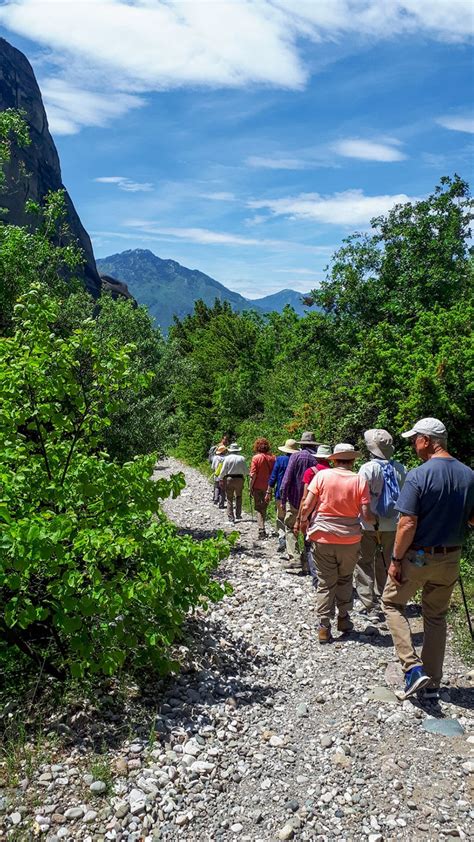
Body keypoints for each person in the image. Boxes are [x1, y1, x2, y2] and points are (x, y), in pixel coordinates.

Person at [382, 418, 474, 700]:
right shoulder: (469, 475)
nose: (413, 444)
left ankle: (411, 669)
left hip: (419, 555)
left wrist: (396, 559)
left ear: (427, 440)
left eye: (415, 439)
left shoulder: (418, 475)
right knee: (436, 616)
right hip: (451, 557)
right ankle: (432, 682)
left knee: (391, 602)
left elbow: (407, 522)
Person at [299, 443, 375, 643]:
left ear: (333, 459)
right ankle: (344, 619)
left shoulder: (322, 476)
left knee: (325, 582)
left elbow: (307, 504)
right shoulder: (360, 479)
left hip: (322, 536)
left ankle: (324, 627)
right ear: (352, 460)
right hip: (350, 538)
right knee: (345, 578)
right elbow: (366, 515)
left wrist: (303, 521)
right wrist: (375, 521)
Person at [354, 430, 407, 618]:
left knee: (364, 562)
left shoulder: (367, 469)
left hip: (369, 524)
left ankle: (370, 605)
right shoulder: (400, 468)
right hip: (394, 524)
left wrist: (366, 517)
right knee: (387, 562)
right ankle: (388, 600)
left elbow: (360, 497)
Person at [279, 432, 318, 573]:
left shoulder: (295, 456)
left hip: (295, 499)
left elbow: (287, 479)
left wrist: (283, 499)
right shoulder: (317, 459)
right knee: (309, 531)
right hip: (312, 502)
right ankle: (307, 562)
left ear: (301, 444)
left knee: (290, 528)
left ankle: (295, 559)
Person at [295, 444, 332, 586]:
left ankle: (316, 578)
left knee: (310, 545)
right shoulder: (335, 472)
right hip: (329, 514)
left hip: (312, 514)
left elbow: (305, 498)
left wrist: (300, 518)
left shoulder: (311, 472)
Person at [265, 439, 300, 552]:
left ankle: (282, 537)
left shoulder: (280, 459)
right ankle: (292, 544)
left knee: (280, 517)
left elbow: (273, 477)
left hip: (281, 494)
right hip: (295, 495)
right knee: (291, 519)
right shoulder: (299, 461)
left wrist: (268, 491)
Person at [249, 438, 276, 539]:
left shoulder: (256, 458)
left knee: (258, 508)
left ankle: (261, 529)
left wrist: (250, 487)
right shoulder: (273, 458)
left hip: (257, 486)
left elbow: (253, 474)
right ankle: (262, 527)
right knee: (264, 507)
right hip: (268, 487)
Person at [219, 442, 249, 524]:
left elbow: (223, 470)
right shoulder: (242, 458)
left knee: (229, 498)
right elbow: (246, 471)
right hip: (239, 479)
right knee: (239, 496)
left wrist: (221, 478)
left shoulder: (227, 458)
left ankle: (231, 517)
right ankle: (238, 514)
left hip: (229, 478)